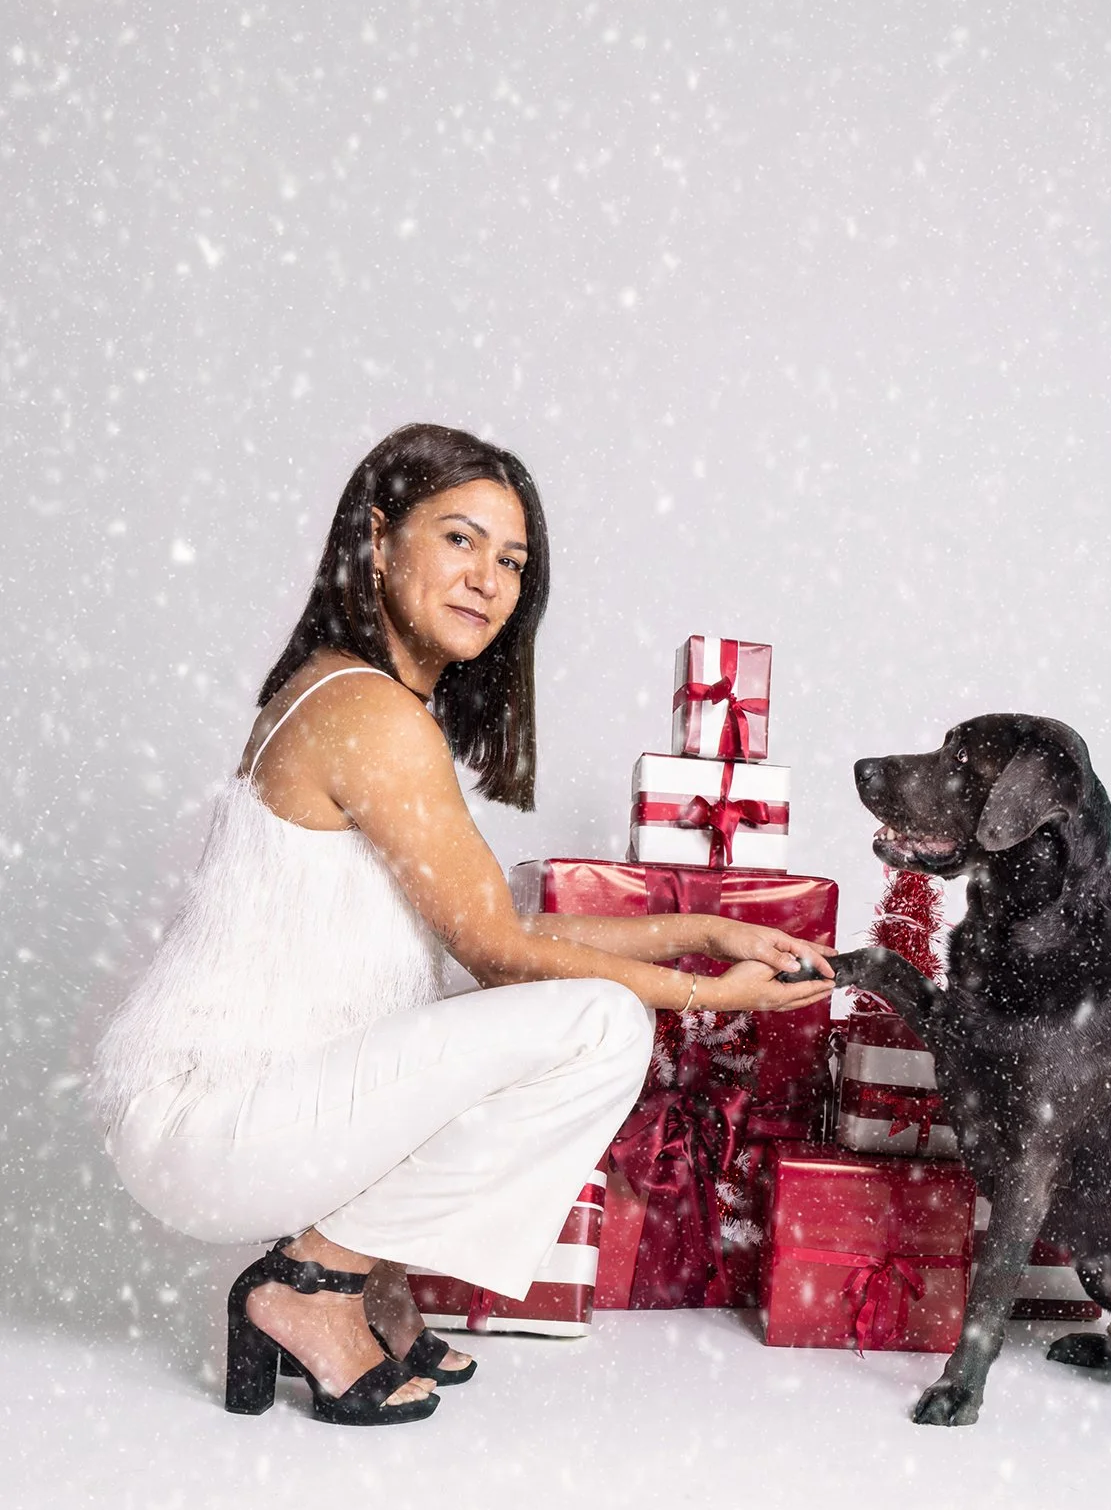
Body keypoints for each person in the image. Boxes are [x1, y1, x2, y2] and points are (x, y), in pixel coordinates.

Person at [89, 423, 834, 1426]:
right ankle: (312, 1285)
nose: (488, 576)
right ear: (380, 539)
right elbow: (500, 952)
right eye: (460, 539)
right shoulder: (370, 715)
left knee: (498, 1008)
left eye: (512, 560)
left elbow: (497, 921)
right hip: (211, 1122)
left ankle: (367, 1283)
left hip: (233, 1109)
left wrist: (704, 926)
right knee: (600, 1025)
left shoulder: (358, 696)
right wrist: (713, 995)